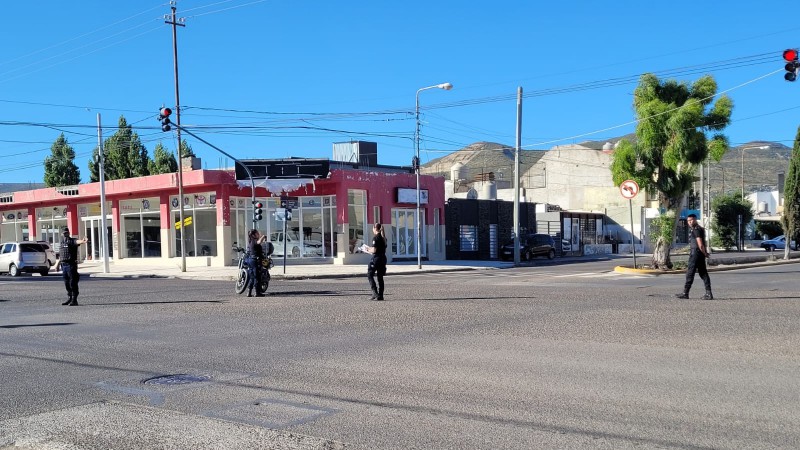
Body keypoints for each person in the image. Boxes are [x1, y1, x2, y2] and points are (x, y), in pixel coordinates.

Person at [676, 214, 713, 300]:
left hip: (695, 254)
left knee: (690, 273)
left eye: (691, 220)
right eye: (688, 221)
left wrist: (705, 253)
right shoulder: (699, 229)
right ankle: (708, 293)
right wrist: (704, 253)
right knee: (703, 273)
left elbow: (700, 243)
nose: (690, 222)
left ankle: (685, 293)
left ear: (695, 220)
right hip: (699, 254)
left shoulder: (696, 230)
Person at [59, 227, 89, 306]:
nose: (66, 234)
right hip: (63, 265)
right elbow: (61, 255)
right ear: (62, 234)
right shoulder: (62, 243)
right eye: (64, 233)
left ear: (69, 233)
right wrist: (57, 264)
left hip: (71, 264)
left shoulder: (72, 241)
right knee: (66, 283)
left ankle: (74, 299)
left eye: (67, 233)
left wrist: (83, 241)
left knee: (73, 282)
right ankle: (69, 298)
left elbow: (77, 241)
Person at [364, 223, 387, 301]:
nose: (372, 230)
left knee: (370, 274)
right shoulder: (383, 238)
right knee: (380, 277)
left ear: (375, 228)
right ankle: (381, 295)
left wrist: (367, 249)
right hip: (383, 259)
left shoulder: (376, 238)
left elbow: (374, 250)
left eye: (373, 228)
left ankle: (374, 292)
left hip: (376, 259)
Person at [246, 229, 267, 297]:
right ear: (253, 235)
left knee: (252, 277)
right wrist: (263, 236)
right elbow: (259, 242)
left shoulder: (250, 242)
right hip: (255, 260)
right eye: (257, 233)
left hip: (251, 260)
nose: (258, 234)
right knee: (257, 277)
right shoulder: (254, 241)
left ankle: (249, 292)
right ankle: (257, 292)